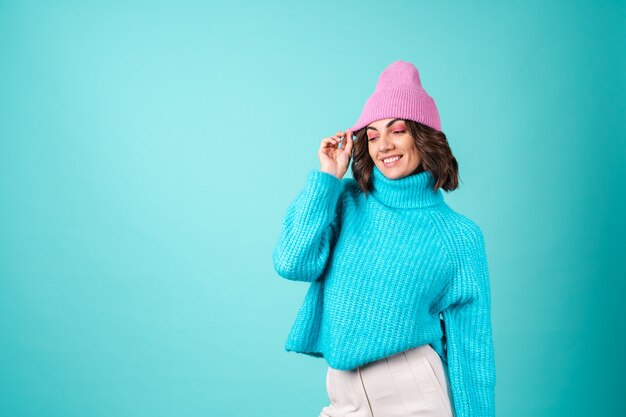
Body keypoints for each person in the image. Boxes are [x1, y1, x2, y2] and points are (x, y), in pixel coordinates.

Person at [272, 60, 496, 417]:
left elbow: (472, 349)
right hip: (344, 396)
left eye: (398, 130)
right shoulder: (344, 201)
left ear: (423, 137)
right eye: (373, 135)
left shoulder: (459, 236)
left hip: (415, 396)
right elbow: (292, 262)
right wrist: (327, 177)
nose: (384, 146)